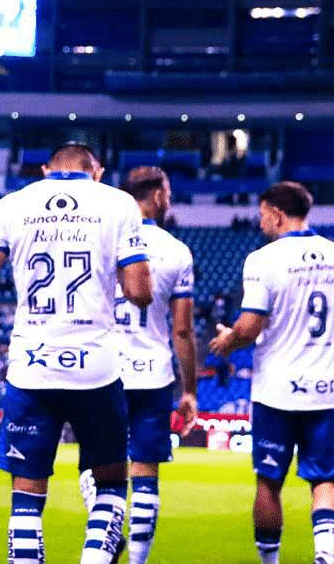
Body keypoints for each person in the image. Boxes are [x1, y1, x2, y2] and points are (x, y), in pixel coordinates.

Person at [0, 143, 152, 564]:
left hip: (32, 368)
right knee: (109, 486)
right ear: (97, 172)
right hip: (96, 368)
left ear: (45, 169)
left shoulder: (13, 205)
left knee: (26, 502)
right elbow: (140, 293)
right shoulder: (117, 203)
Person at [208, 182, 334, 564]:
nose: (259, 224)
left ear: (276, 213)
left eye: (261, 216)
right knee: (325, 480)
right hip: (327, 386)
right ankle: (324, 555)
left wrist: (227, 340)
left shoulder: (263, 260)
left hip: (278, 390)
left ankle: (270, 561)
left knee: (269, 482)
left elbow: (251, 327)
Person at [77, 166, 199, 564]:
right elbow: (182, 331)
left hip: (102, 370)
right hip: (153, 373)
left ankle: (108, 532)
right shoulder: (177, 252)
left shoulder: (100, 239)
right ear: (159, 196)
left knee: (95, 467)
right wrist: (190, 389)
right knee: (146, 474)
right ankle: (137, 561)